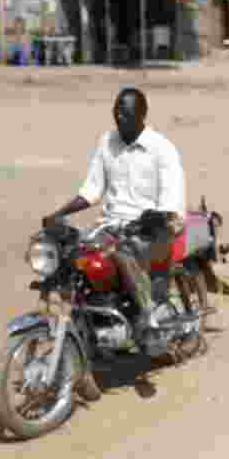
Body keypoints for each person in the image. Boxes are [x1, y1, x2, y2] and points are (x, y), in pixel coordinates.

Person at [42, 87, 186, 356]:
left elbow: (171, 202)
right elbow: (92, 190)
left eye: (126, 111)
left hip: (153, 229)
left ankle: (148, 318)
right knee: (70, 252)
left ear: (142, 114)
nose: (119, 116)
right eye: (116, 110)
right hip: (112, 225)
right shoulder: (107, 141)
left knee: (121, 253)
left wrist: (154, 215)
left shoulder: (162, 149)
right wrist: (59, 213)